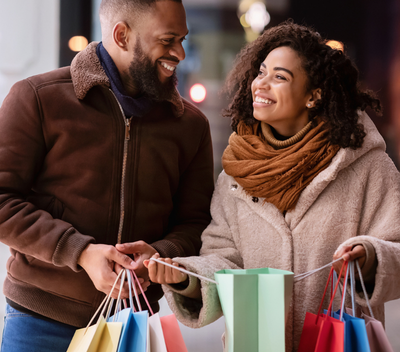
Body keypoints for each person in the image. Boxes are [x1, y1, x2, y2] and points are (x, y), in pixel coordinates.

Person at [144, 21, 400, 352]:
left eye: (279, 77)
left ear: (313, 96)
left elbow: (396, 248)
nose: (260, 84)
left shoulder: (366, 167)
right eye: (261, 72)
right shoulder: (237, 171)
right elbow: (224, 256)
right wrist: (187, 276)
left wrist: (369, 258)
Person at [0, 0, 214, 352]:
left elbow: (197, 224)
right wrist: (80, 252)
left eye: (182, 40)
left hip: (132, 326)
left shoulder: (190, 125)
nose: (179, 54)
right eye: (168, 40)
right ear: (121, 35)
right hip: (39, 323)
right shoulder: (37, 98)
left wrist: (161, 254)